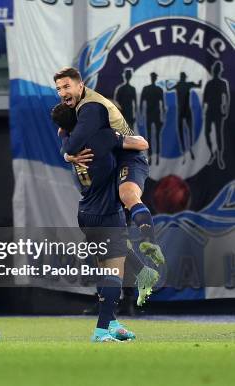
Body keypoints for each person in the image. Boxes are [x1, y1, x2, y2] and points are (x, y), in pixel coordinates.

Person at [51, 102, 150, 342]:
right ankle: (100, 331)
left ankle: (113, 323)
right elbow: (141, 144)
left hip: (86, 211)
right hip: (107, 212)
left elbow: (62, 132)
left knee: (106, 268)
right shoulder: (101, 138)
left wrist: (67, 154)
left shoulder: (68, 140)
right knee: (114, 274)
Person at [54, 67, 164, 267]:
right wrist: (68, 155)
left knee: (127, 196)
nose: (62, 93)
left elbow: (142, 144)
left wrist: (68, 153)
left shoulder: (97, 129)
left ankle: (150, 243)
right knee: (109, 244)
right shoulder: (83, 134)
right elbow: (66, 138)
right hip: (99, 192)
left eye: (66, 87)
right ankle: (140, 277)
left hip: (126, 163)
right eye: (59, 89)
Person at [166, 72, 202, 163]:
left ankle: (189, 149)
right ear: (184, 77)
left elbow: (168, 88)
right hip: (183, 111)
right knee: (183, 131)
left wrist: (167, 84)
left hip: (184, 111)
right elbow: (198, 85)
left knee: (186, 131)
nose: (183, 78)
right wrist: (200, 82)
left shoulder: (183, 84)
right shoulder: (184, 84)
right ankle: (186, 150)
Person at [203, 61, 230, 170]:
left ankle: (219, 156)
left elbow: (226, 97)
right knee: (207, 133)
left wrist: (225, 109)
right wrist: (204, 110)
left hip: (218, 111)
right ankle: (212, 153)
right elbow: (204, 98)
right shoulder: (209, 83)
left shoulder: (223, 83)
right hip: (209, 111)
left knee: (219, 135)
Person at [140, 72, 165, 166]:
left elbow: (162, 104)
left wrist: (141, 115)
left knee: (153, 136)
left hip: (152, 115)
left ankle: (155, 156)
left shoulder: (149, 89)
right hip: (152, 114)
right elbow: (142, 103)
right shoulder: (157, 89)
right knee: (153, 136)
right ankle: (152, 156)